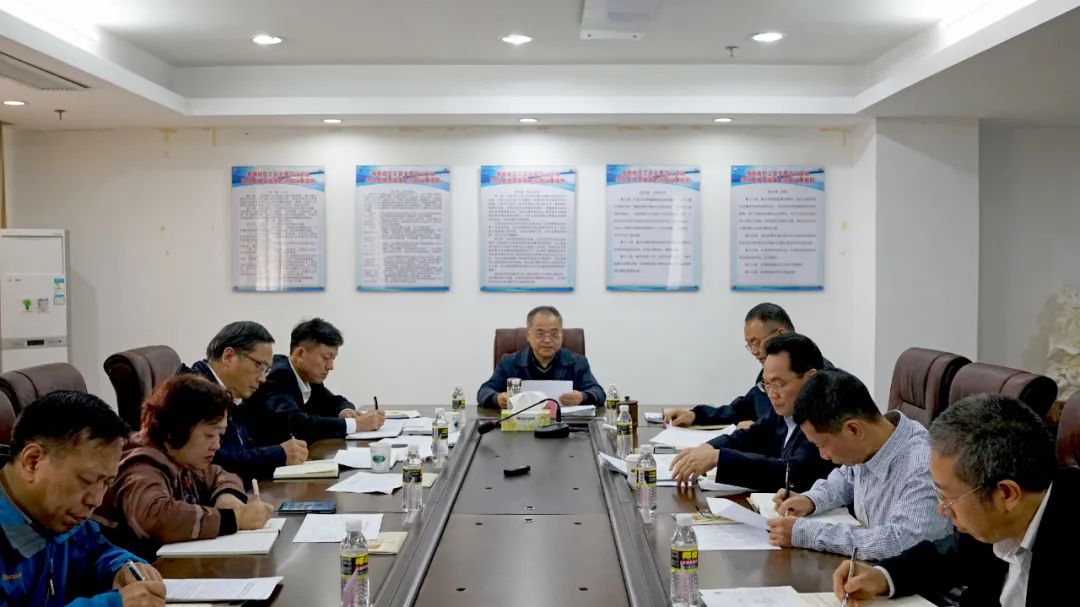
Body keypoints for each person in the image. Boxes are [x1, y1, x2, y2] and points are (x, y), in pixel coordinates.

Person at [833, 394, 1074, 606]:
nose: (942, 509)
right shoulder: (997, 520)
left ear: (1007, 494)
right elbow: (949, 555)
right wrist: (882, 577)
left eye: (947, 497)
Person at [0, 391, 166, 607]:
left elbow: (97, 551)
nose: (96, 500)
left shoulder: (60, 516)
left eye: (106, 483)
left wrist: (124, 567)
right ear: (33, 461)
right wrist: (112, 604)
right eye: (86, 480)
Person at [765, 369, 952, 560]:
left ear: (854, 429)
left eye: (822, 445)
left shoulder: (924, 466)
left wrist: (806, 533)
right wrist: (810, 500)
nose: (823, 456)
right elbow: (845, 479)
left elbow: (900, 542)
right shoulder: (872, 442)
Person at [94, 375, 275, 559]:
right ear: (176, 429)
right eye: (209, 435)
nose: (216, 445)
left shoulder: (182, 457)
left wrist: (226, 497)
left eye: (219, 435)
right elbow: (156, 516)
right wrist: (235, 519)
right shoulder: (140, 463)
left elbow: (219, 474)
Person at [669, 333, 835, 491]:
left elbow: (794, 474)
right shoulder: (785, 409)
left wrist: (718, 458)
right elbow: (751, 436)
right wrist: (708, 448)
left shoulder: (826, 417)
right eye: (766, 384)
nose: (772, 394)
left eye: (778, 383)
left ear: (810, 378)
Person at [181, 321, 308, 482]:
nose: (262, 378)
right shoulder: (194, 394)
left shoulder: (231, 394)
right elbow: (216, 463)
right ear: (228, 357)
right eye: (259, 366)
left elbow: (244, 448)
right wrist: (279, 454)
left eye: (267, 370)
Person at [245, 318, 384, 444]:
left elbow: (332, 401)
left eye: (333, 358)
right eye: (326, 358)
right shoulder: (276, 375)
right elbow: (298, 424)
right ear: (300, 354)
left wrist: (346, 412)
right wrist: (356, 425)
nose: (330, 366)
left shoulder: (308, 376)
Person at [664, 303, 796, 428]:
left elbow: (794, 432)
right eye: (750, 345)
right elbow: (739, 410)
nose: (754, 352)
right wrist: (695, 415)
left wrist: (760, 431)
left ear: (780, 334)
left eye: (756, 342)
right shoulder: (765, 375)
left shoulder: (803, 377)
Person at [477, 306, 604, 409]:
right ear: (528, 335)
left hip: (565, 426)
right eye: (540, 334)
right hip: (522, 426)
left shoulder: (577, 362)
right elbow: (484, 391)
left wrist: (583, 397)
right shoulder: (509, 363)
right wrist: (497, 398)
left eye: (554, 334)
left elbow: (598, 392)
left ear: (562, 335)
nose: (547, 340)